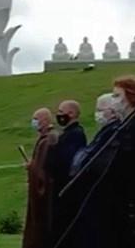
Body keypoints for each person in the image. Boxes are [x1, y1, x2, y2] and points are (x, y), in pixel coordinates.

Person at [74, 78, 135, 248]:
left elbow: (128, 163)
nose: (113, 100)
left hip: (130, 200)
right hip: (118, 198)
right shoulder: (125, 125)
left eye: (117, 96)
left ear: (131, 97)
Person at [48, 100, 87, 248]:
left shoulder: (75, 134)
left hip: (66, 190)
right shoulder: (68, 133)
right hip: (62, 189)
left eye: (60, 111)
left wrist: (53, 147)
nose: (58, 115)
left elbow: (66, 162)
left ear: (71, 113)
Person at [22, 107, 58, 248]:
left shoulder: (48, 140)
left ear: (45, 120)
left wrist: (31, 168)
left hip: (45, 198)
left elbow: (43, 171)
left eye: (36, 119)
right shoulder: (44, 140)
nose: (34, 122)